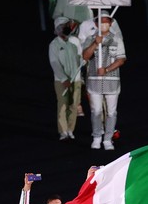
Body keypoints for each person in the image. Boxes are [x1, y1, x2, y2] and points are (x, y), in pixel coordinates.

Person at [81, 11, 125, 150]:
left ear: (111, 23)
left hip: (112, 81)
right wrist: (95, 43)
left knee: (111, 112)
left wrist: (106, 69)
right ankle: (97, 137)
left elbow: (121, 59)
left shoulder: (117, 39)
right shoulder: (90, 38)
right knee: (96, 111)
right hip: (94, 82)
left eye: (107, 21)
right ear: (96, 24)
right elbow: (85, 56)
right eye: (101, 22)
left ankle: (108, 138)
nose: (104, 24)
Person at [49, 17, 83, 140]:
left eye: (68, 25)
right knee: (63, 105)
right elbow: (54, 63)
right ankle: (63, 131)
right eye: (64, 26)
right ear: (58, 29)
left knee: (74, 105)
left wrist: (80, 74)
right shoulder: (54, 45)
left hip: (76, 79)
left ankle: (70, 129)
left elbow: (80, 57)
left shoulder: (75, 41)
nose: (68, 27)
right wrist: (64, 79)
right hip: (60, 81)